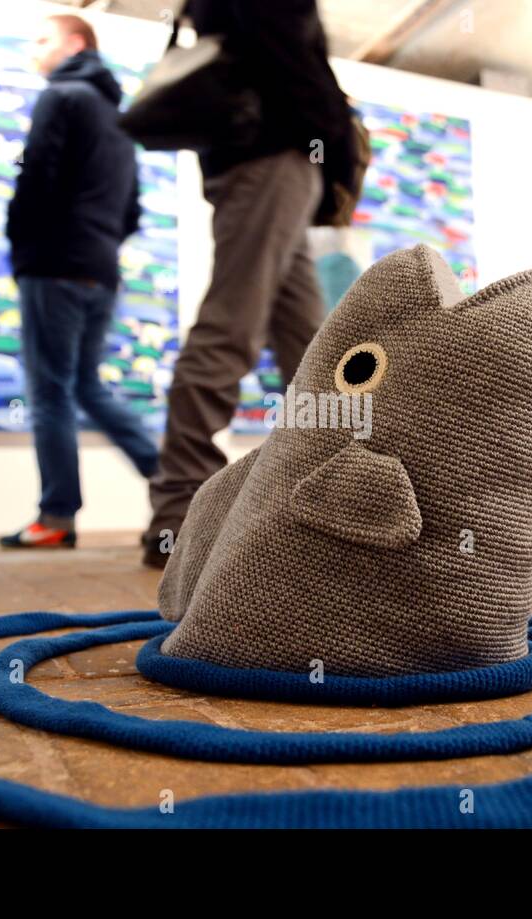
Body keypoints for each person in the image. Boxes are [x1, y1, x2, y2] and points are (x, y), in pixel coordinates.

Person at [141, 0, 355, 568]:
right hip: (272, 153)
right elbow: (289, 62)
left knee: (313, 350)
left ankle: (323, 495)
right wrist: (335, 138)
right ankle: (179, 511)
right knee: (230, 326)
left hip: (276, 159)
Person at [0, 13, 159, 550]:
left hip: (53, 263)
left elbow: (37, 175)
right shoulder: (118, 118)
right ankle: (177, 484)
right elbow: (133, 211)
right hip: (99, 268)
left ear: (75, 43)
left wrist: (22, 245)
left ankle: (57, 517)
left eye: (41, 38)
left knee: (50, 393)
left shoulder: (61, 95)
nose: (33, 49)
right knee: (87, 387)